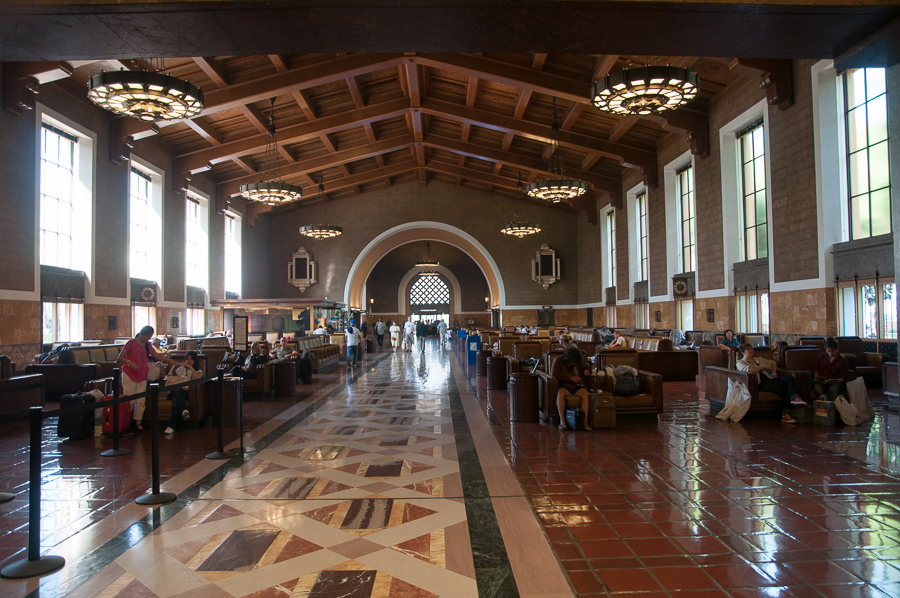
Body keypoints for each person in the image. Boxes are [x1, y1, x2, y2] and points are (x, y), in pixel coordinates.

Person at [116, 326, 178, 432]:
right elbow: (120, 357)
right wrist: (129, 363)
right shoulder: (131, 343)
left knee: (141, 400)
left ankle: (138, 422)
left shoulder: (148, 345)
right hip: (129, 374)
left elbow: (156, 356)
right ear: (142, 334)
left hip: (142, 374)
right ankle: (127, 422)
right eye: (147, 337)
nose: (148, 339)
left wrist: (169, 361)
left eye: (150, 337)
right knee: (130, 399)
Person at [736, 343, 805, 423]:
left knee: (790, 379)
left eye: (752, 349)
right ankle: (786, 414)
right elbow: (749, 369)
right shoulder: (740, 362)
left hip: (769, 379)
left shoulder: (758, 359)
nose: (751, 350)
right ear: (743, 352)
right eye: (748, 349)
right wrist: (763, 366)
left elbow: (773, 363)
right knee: (785, 388)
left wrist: (774, 373)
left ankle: (795, 398)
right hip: (759, 383)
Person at [553, 345, 593, 432]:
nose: (573, 364)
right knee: (560, 393)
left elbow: (586, 366)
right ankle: (562, 422)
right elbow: (554, 373)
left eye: (574, 362)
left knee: (585, 393)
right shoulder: (558, 360)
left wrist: (586, 370)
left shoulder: (577, 361)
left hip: (576, 387)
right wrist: (570, 378)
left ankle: (585, 422)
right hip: (564, 387)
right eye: (571, 362)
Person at [164, 351, 201, 435]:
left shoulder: (198, 371)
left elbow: (198, 380)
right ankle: (184, 409)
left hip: (188, 393)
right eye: (187, 359)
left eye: (191, 359)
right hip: (175, 391)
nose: (189, 361)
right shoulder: (179, 370)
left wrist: (190, 368)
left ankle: (171, 426)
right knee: (177, 389)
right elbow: (175, 380)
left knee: (175, 400)